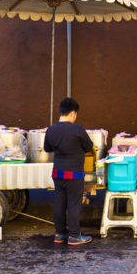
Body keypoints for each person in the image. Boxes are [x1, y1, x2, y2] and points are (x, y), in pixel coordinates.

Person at [44, 97, 94, 245]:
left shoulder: (51, 130)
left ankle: (59, 234)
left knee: (60, 202)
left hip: (57, 173)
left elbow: (47, 149)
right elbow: (88, 146)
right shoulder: (77, 129)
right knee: (74, 203)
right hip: (74, 174)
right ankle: (74, 236)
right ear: (73, 113)